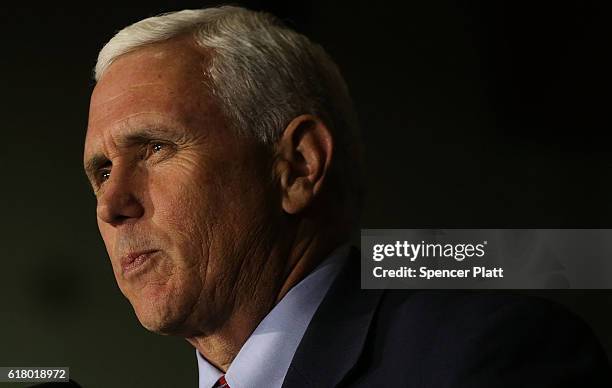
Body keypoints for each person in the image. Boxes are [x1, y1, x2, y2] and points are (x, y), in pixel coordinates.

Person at [83, 6, 612, 387]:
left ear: (298, 166)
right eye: (102, 170)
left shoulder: (484, 359)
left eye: (154, 147)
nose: (112, 204)